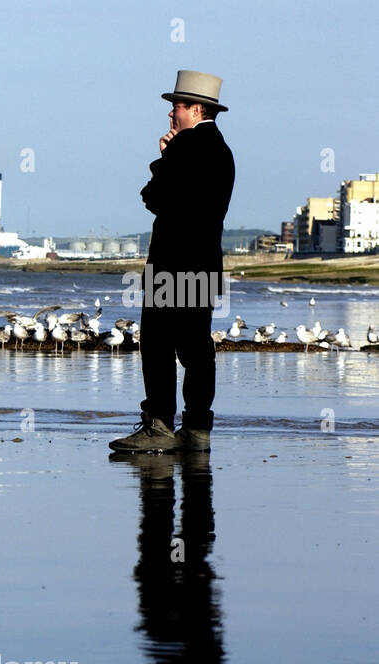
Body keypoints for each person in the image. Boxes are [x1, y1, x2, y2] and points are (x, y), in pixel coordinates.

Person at [111, 71, 235, 453]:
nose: (170, 114)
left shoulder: (185, 147)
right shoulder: (224, 151)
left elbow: (153, 197)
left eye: (176, 107)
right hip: (205, 264)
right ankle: (197, 429)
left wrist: (163, 157)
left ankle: (159, 424)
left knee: (158, 343)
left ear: (196, 109)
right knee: (197, 347)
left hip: (173, 265)